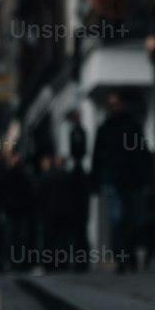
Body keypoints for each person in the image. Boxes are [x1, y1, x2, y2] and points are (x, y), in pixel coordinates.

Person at [90, 91, 148, 273]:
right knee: (117, 219)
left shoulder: (132, 125)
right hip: (112, 179)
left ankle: (130, 256)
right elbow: (97, 157)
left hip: (132, 179)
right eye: (111, 104)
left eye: (117, 104)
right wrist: (95, 183)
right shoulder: (104, 128)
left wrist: (146, 181)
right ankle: (122, 257)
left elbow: (142, 153)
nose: (114, 107)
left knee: (133, 219)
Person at [0, 150, 34, 271]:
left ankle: (19, 262)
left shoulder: (21, 175)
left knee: (19, 238)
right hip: (12, 212)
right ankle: (14, 262)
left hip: (19, 212)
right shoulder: (10, 175)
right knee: (12, 238)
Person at [64, 111, 91, 272]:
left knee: (79, 232)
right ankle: (81, 261)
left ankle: (81, 261)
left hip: (77, 209)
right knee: (79, 232)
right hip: (77, 209)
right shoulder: (77, 173)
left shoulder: (78, 132)